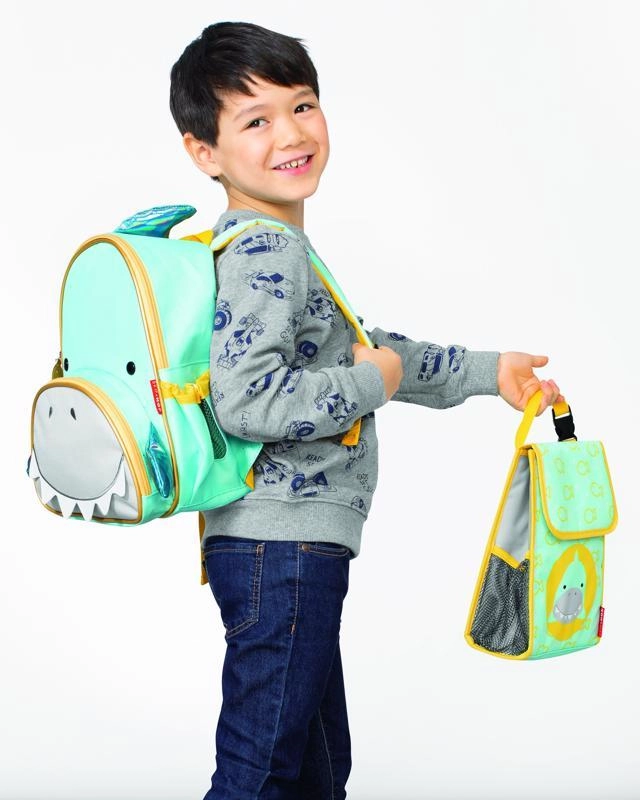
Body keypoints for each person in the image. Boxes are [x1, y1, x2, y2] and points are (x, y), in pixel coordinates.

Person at [169, 21, 563, 800]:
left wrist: (487, 372)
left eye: (302, 106)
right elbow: (248, 399)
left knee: (315, 771)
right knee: (259, 774)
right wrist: (368, 385)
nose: (291, 133)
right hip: (280, 544)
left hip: (280, 545)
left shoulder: (265, 243)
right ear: (204, 151)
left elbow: (364, 349)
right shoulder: (267, 250)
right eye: (256, 120)